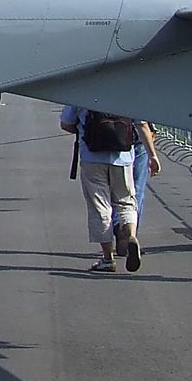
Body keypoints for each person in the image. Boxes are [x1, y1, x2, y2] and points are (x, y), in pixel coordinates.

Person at [60, 106, 142, 272]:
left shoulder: (82, 91)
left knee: (100, 207)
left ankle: (107, 258)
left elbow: (66, 123)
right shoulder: (128, 91)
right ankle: (131, 236)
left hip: (92, 156)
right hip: (123, 156)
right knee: (126, 201)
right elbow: (141, 122)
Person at [117, 121, 162, 231]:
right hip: (138, 136)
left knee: (114, 192)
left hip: (109, 139)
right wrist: (153, 155)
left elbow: (68, 123)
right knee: (137, 189)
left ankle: (117, 229)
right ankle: (131, 231)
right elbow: (141, 122)